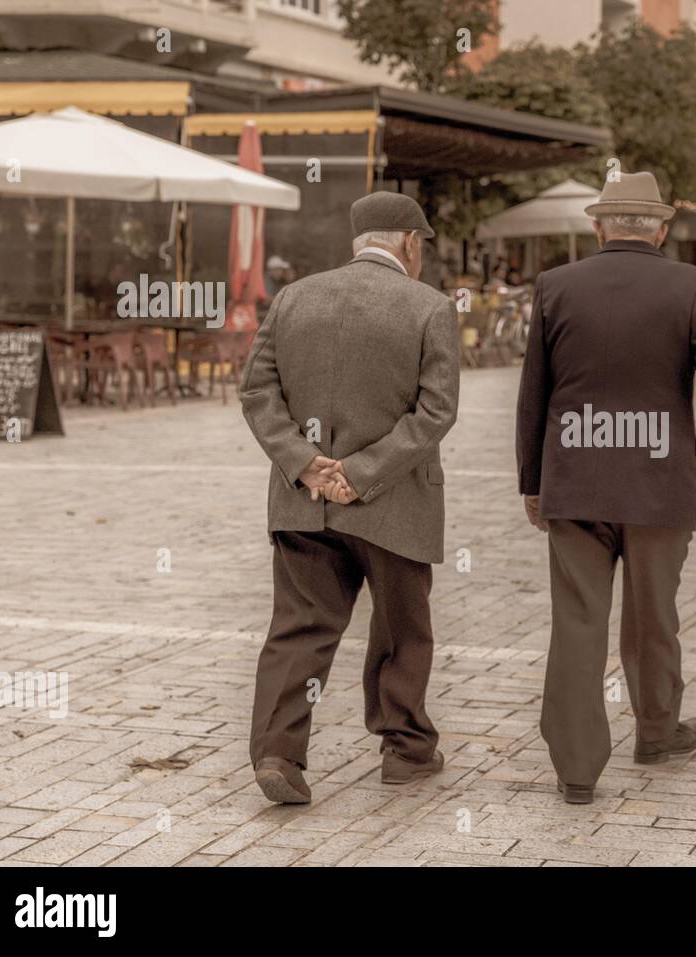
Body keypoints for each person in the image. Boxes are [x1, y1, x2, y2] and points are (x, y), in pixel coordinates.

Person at [515, 171, 696, 805]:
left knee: (577, 622)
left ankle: (576, 767)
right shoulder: (691, 286)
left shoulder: (554, 286)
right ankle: (655, 732)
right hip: (657, 481)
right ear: (663, 229)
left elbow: (533, 395)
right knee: (654, 616)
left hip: (575, 478)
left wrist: (532, 484)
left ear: (598, 226)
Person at [240, 192, 460, 805]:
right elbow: (436, 412)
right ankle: (405, 750)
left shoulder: (292, 298)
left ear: (357, 242)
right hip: (394, 503)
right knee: (401, 630)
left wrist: (305, 463)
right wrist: (360, 473)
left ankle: (279, 753)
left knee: (299, 626)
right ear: (411, 244)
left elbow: (256, 392)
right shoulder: (430, 307)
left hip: (302, 499)